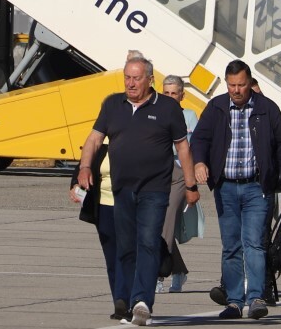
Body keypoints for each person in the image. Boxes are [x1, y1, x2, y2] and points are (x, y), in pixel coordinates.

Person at [77, 54, 200, 327]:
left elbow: (183, 148)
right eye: (127, 78)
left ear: (150, 80)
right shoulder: (112, 104)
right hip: (122, 190)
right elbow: (95, 139)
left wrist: (191, 185)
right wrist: (85, 167)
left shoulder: (168, 108)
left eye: (136, 78)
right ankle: (131, 301)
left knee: (147, 242)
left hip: (155, 190)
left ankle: (143, 301)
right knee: (125, 247)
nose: (130, 84)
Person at [190, 60, 281, 320]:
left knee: (255, 244)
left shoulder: (267, 109)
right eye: (232, 85)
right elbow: (200, 139)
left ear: (250, 83)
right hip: (225, 186)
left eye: (241, 85)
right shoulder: (216, 107)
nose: (236, 90)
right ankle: (234, 302)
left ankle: (257, 297)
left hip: (257, 188)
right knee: (231, 246)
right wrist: (200, 162)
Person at [70, 140, 127, 320]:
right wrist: (75, 184)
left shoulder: (133, 136)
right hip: (104, 206)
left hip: (130, 205)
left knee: (127, 253)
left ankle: (129, 299)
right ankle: (119, 301)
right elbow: (84, 164)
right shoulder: (100, 140)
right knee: (112, 256)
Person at [158, 75, 198, 295]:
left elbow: (193, 147)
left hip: (180, 173)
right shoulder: (154, 114)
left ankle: (158, 274)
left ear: (182, 95)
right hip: (158, 172)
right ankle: (179, 270)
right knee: (157, 224)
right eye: (167, 93)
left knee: (166, 221)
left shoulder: (189, 117)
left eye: (175, 93)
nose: (171, 97)